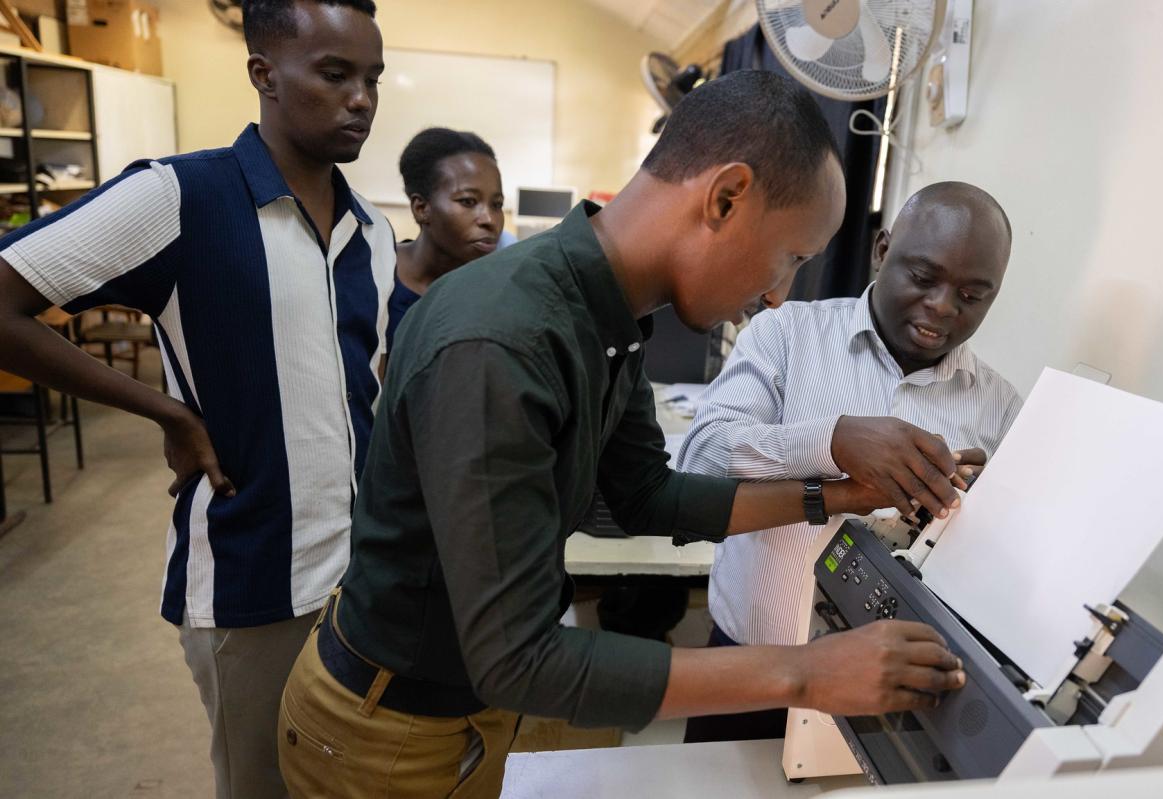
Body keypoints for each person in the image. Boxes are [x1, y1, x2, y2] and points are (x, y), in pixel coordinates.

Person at [278, 70, 973, 798]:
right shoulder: (501, 340)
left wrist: (840, 496)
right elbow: (517, 659)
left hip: (484, 701)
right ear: (725, 197)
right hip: (392, 722)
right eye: (791, 256)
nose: (777, 293)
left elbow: (647, 497)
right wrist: (808, 670)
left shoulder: (606, 315)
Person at [0, 1, 391, 796]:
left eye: (372, 79)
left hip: (361, 579)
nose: (362, 99)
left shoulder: (371, 230)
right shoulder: (181, 196)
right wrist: (165, 410)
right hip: (253, 587)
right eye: (335, 74)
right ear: (263, 75)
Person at [677, 181, 1022, 742]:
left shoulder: (1002, 408)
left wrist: (980, 510)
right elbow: (700, 464)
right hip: (753, 674)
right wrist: (833, 441)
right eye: (924, 277)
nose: (941, 306)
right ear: (882, 251)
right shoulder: (785, 334)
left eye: (972, 295)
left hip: (895, 702)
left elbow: (1004, 573)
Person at [387, 127, 506, 344]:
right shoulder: (373, 274)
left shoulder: (495, 295)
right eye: (468, 201)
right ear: (421, 208)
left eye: (497, 204)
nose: (489, 219)